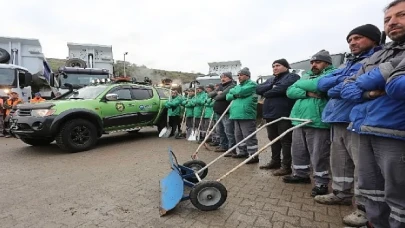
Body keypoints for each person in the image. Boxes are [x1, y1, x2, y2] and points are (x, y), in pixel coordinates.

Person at [340, 1, 405, 226]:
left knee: (399, 200)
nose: (392, 22)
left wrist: (366, 80)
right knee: (371, 192)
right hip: (363, 127)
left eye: (402, 15)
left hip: (395, 133)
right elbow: (345, 88)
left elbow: (396, 85)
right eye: (387, 19)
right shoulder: (380, 55)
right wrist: (368, 92)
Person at [315, 24, 382, 227]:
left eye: (358, 38)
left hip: (356, 119)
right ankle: (340, 193)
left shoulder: (374, 60)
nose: (353, 42)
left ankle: (364, 208)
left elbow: (356, 84)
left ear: (374, 40)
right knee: (339, 161)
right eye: (350, 39)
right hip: (337, 117)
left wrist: (339, 84)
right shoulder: (346, 63)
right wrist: (340, 82)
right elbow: (322, 84)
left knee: (362, 166)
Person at [283, 50, 336, 197]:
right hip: (299, 119)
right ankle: (300, 175)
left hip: (317, 121)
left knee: (319, 154)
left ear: (327, 63)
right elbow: (289, 91)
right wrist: (307, 92)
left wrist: (302, 85)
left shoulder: (333, 73)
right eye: (312, 62)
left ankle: (321, 182)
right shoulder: (306, 75)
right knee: (298, 150)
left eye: (317, 62)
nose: (313, 64)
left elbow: (319, 86)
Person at [256, 59, 300, 176]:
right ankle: (275, 161)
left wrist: (268, 91)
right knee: (273, 139)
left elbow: (283, 88)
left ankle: (286, 166)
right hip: (269, 114)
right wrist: (271, 86)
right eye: (273, 66)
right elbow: (258, 89)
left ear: (286, 66)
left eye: (278, 65)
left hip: (284, 114)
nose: (275, 68)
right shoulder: (271, 79)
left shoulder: (292, 77)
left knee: (285, 140)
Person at [226, 67, 259, 163]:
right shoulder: (238, 86)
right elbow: (228, 96)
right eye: (238, 75)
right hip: (236, 114)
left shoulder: (252, 84)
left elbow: (239, 92)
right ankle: (242, 152)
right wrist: (235, 93)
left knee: (249, 136)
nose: (239, 77)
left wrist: (235, 92)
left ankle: (253, 155)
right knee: (238, 135)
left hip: (246, 114)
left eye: (241, 75)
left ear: (247, 76)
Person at [211, 72, 237, 156]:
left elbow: (221, 96)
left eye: (225, 77)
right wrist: (217, 94)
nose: (222, 78)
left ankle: (231, 148)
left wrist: (217, 95)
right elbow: (210, 95)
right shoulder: (221, 86)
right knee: (220, 131)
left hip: (226, 113)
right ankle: (223, 146)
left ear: (230, 78)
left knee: (228, 131)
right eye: (221, 77)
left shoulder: (232, 86)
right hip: (218, 113)